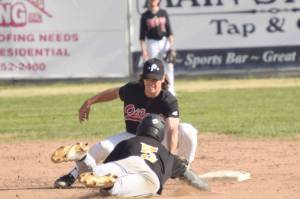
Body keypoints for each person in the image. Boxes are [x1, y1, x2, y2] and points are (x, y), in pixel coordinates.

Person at [53, 58, 198, 188]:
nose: (151, 83)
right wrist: (89, 101)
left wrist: (169, 159)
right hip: (132, 136)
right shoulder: (132, 89)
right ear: (143, 78)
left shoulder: (168, 100)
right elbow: (113, 93)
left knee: (187, 130)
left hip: (159, 142)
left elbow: (173, 130)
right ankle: (73, 174)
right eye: (148, 79)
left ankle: (184, 169)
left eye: (155, 79)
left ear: (163, 79)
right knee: (102, 147)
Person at [52, 114, 209, 197]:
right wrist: (205, 188)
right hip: (149, 175)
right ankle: (111, 186)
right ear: (160, 135)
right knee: (118, 188)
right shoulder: (167, 155)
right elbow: (190, 176)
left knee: (95, 173)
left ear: (141, 129)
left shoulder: (127, 142)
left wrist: (100, 170)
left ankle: (82, 158)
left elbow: (108, 164)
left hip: (127, 161)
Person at [140, 0, 176, 95]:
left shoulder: (163, 13)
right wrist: (144, 51)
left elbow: (169, 32)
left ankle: (170, 91)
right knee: (154, 67)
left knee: (169, 66)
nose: (153, 1)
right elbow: (142, 37)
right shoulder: (145, 15)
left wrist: (172, 47)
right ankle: (156, 90)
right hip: (152, 42)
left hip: (164, 41)